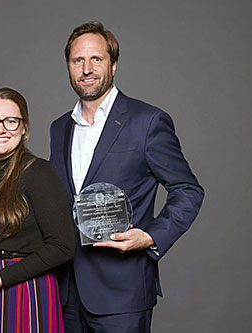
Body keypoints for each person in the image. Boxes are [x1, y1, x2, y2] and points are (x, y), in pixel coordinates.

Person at [49, 22, 205, 332]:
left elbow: (188, 190)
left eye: (96, 59)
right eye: (77, 60)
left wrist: (150, 237)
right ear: (68, 67)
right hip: (66, 292)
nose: (86, 69)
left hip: (123, 294)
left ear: (114, 64)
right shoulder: (60, 128)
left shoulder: (147, 122)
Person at [0, 87, 75, 332]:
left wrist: (2, 279)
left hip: (28, 289)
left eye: (11, 121)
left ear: (24, 128)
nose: (1, 129)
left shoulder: (40, 173)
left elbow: (63, 246)